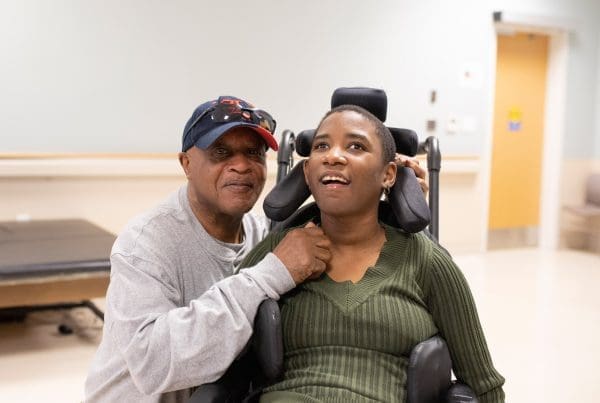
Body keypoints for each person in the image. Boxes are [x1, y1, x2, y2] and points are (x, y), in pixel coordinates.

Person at [240, 104, 506, 402]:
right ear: (307, 170)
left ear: (389, 174)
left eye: (355, 146)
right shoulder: (276, 252)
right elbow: (222, 350)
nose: (333, 156)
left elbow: (485, 387)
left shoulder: (427, 261)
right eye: (321, 146)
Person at [84, 96, 333, 403]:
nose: (241, 166)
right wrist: (270, 274)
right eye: (221, 152)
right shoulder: (145, 243)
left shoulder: (259, 234)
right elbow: (153, 364)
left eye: (254, 153)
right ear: (186, 164)